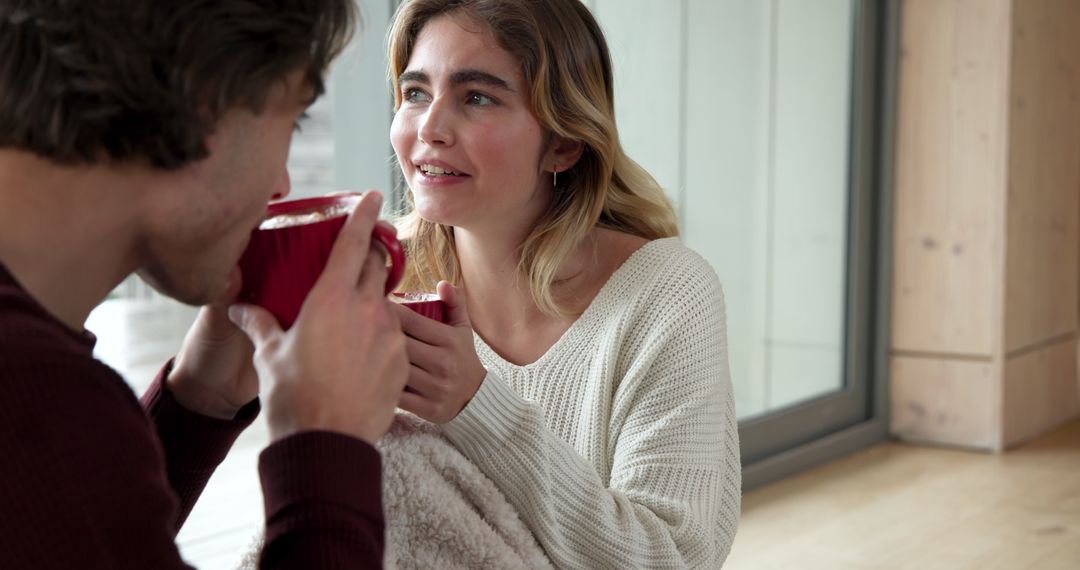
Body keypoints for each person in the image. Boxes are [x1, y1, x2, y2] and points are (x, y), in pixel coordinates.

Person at [0, 1, 409, 568]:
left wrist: (199, 400)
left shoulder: (46, 413)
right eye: (291, 120)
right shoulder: (35, 400)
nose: (281, 182)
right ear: (206, 97)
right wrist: (325, 446)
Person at [385, 0, 742, 567]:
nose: (429, 128)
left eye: (476, 97)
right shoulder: (379, 278)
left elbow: (670, 558)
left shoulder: (667, 294)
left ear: (564, 143)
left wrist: (477, 406)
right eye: (416, 93)